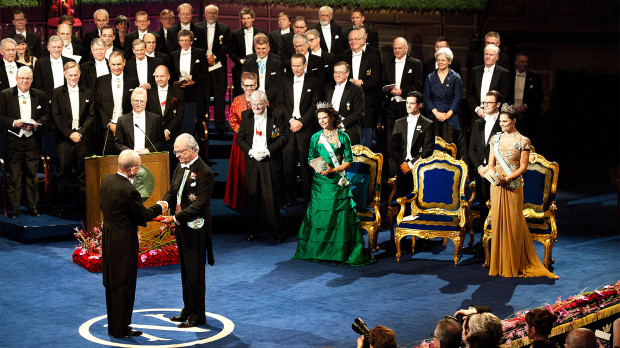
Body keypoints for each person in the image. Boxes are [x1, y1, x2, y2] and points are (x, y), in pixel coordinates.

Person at [293, 103, 375, 266]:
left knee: (338, 217)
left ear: (332, 117)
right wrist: (317, 167)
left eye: (324, 117)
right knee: (320, 216)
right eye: (319, 119)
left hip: (337, 182)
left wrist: (334, 169)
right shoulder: (315, 137)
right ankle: (318, 251)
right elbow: (310, 159)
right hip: (320, 183)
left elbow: (349, 162)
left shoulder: (343, 136)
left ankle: (340, 252)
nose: (322, 121)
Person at [99, 150, 166, 338]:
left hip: (109, 237)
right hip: (124, 241)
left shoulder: (106, 181)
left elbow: (102, 207)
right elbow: (142, 215)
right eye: (139, 166)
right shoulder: (129, 190)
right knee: (124, 283)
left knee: (112, 281)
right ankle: (121, 329)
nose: (140, 169)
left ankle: (115, 326)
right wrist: (160, 206)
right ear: (131, 169)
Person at [486, 105, 558, 278]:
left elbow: (524, 167)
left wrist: (507, 179)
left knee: (512, 222)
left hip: (513, 186)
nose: (502, 124)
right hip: (496, 185)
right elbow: (490, 163)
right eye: (500, 121)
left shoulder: (523, 141)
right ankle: (499, 262)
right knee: (498, 222)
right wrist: (493, 176)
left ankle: (513, 263)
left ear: (514, 121)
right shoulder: (495, 139)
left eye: (505, 121)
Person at [160, 133, 214, 328]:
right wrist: (164, 203)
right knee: (185, 271)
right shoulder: (180, 167)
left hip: (196, 229)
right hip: (182, 227)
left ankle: (198, 314)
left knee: (195, 273)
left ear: (193, 149)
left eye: (181, 152)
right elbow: (172, 190)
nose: (177, 155)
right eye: (176, 152)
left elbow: (199, 205)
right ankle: (187, 309)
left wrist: (174, 218)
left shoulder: (204, 172)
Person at [236, 90, 288, 243]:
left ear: (266, 103)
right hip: (252, 162)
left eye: (259, 104)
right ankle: (253, 231)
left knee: (271, 198)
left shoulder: (277, 115)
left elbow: (284, 137)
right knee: (253, 197)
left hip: (270, 162)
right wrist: (250, 151)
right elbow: (240, 139)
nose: (256, 107)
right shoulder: (246, 115)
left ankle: (276, 232)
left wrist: (268, 151)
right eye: (253, 104)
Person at [0, 66, 48, 219]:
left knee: (32, 175)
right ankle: (14, 208)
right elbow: (1, 117)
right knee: (14, 176)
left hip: (32, 140)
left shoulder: (39, 95)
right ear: (16, 79)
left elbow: (46, 116)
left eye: (28, 78)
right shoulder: (5, 95)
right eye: (22, 78)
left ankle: (33, 205)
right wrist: (15, 122)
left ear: (32, 80)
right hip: (13, 141)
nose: (25, 81)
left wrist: (37, 123)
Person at [51, 62, 94, 216]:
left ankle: (84, 207)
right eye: (70, 75)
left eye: (76, 74)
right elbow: (56, 116)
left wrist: (80, 133)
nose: (73, 77)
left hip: (82, 138)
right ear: (65, 75)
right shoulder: (57, 93)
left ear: (80, 74)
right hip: (65, 139)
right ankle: (61, 207)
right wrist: (69, 133)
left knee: (83, 174)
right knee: (63, 174)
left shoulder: (87, 92)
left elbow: (91, 115)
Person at [279, 54, 320, 206]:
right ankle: (289, 198)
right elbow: (280, 103)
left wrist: (301, 122)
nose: (296, 69)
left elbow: (314, 105)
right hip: (289, 127)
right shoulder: (284, 80)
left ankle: (308, 198)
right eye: (293, 66)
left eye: (298, 65)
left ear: (305, 65)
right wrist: (291, 120)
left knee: (306, 165)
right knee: (288, 165)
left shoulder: (313, 81)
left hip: (305, 128)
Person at [382, 37, 423, 170]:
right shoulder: (387, 63)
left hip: (407, 108)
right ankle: (391, 175)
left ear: (406, 49)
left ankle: (406, 172)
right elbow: (381, 84)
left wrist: (402, 91)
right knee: (390, 142)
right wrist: (390, 91)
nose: (397, 50)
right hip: (390, 107)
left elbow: (418, 85)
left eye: (400, 48)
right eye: (395, 48)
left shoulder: (416, 64)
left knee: (406, 142)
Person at [467, 91, 502, 245]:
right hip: (481, 173)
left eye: (489, 103)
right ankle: (484, 242)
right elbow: (471, 149)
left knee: (497, 207)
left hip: (497, 173)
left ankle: (498, 241)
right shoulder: (477, 123)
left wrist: (491, 167)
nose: (486, 105)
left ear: (498, 104)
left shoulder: (503, 122)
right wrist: (480, 167)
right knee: (483, 207)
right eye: (484, 102)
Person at [339, 28, 382, 148]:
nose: (353, 41)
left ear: (363, 41)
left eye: (356, 39)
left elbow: (376, 80)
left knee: (365, 141)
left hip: (367, 103)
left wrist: (361, 83)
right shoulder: (343, 56)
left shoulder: (372, 57)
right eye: (351, 39)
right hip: (347, 103)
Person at [388, 91, 434, 198]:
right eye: (407, 103)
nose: (408, 106)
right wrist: (403, 164)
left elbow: (428, 150)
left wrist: (410, 165)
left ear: (420, 105)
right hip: (402, 168)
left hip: (419, 168)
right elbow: (393, 147)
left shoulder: (428, 124)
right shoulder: (399, 123)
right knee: (401, 199)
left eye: (412, 103)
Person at [423, 47, 466, 157]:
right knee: (433, 145)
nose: (440, 62)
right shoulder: (430, 77)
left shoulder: (456, 77)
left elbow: (458, 97)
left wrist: (448, 114)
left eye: (443, 60)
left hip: (450, 115)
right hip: (434, 116)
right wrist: (436, 113)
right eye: (438, 60)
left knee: (449, 146)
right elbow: (426, 97)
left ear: (449, 61)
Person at [94, 51, 139, 155]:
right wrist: (110, 124)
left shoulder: (133, 81)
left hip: (127, 127)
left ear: (124, 62)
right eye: (113, 64)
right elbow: (97, 105)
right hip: (107, 128)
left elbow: (136, 105)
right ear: (109, 63)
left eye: (119, 64)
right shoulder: (101, 81)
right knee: (107, 160)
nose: (116, 67)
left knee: (128, 159)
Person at [224, 72, 256, 209]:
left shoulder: (262, 99)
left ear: (256, 85)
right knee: (241, 171)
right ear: (242, 85)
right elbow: (232, 121)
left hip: (257, 140)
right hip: (240, 142)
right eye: (246, 85)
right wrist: (244, 133)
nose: (249, 88)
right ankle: (240, 200)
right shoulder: (237, 100)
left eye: (252, 85)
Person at [146, 65, 185, 175]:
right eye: (157, 76)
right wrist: (160, 133)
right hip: (155, 137)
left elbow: (179, 117)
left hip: (173, 136)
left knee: (172, 169)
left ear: (168, 76)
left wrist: (168, 131)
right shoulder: (149, 94)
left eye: (162, 76)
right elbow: (148, 116)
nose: (159, 79)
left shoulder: (178, 93)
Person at [199, 4, 230, 136]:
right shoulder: (198, 27)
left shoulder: (224, 28)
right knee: (203, 97)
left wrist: (214, 57)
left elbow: (226, 47)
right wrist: (205, 58)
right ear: (205, 14)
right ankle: (202, 125)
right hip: (203, 67)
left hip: (218, 68)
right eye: (209, 12)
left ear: (217, 15)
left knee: (219, 98)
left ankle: (220, 126)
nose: (211, 15)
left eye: (214, 13)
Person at [169, 29, 207, 135]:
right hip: (178, 92)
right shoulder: (173, 55)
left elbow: (204, 73)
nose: (184, 43)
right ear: (178, 41)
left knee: (193, 120)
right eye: (182, 40)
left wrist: (193, 82)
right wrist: (176, 83)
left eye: (186, 40)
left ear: (191, 41)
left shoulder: (199, 53)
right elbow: (171, 74)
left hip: (194, 92)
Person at [466, 44, 512, 123]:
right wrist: (478, 109)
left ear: (497, 57)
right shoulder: (475, 71)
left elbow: (504, 96)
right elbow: (469, 94)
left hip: (495, 115)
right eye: (486, 54)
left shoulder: (504, 73)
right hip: (477, 114)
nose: (488, 56)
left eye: (491, 55)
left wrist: (492, 110)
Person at [324, 61, 365, 145]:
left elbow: (359, 112)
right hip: (330, 130)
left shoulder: (356, 90)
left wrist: (341, 123)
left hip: (348, 130)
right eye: (335, 72)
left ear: (347, 74)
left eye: (340, 72)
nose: (337, 75)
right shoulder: (328, 88)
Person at [114, 87, 165, 154]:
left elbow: (161, 142)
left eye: (142, 101)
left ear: (146, 101)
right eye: (136, 101)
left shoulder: (156, 119)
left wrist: (148, 150)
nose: (139, 104)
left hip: (150, 157)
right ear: (131, 101)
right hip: (129, 158)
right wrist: (130, 152)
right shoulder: (122, 120)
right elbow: (117, 144)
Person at [229, 8, 266, 97]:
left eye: (248, 18)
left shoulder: (261, 32)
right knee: (240, 93)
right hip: (241, 68)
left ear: (253, 18)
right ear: (241, 20)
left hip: (258, 66)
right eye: (244, 18)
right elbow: (231, 52)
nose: (246, 21)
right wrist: (239, 60)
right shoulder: (235, 34)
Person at [242, 33, 284, 107]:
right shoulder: (248, 62)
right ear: (255, 48)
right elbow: (245, 82)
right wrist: (255, 98)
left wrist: (265, 98)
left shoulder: (277, 62)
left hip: (272, 100)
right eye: (258, 48)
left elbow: (278, 85)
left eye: (263, 48)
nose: (261, 51)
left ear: (268, 48)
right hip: (252, 99)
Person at [513, 51, 544, 142]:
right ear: (516, 62)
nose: (525, 64)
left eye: (526, 62)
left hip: (529, 117)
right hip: (512, 115)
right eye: (522, 61)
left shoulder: (534, 78)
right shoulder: (509, 76)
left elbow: (540, 97)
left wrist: (526, 106)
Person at [33, 36, 75, 100]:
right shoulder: (40, 63)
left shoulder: (70, 62)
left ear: (62, 48)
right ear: (48, 48)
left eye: (59, 47)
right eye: (53, 47)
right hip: (48, 100)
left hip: (68, 99)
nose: (56, 49)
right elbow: (38, 85)